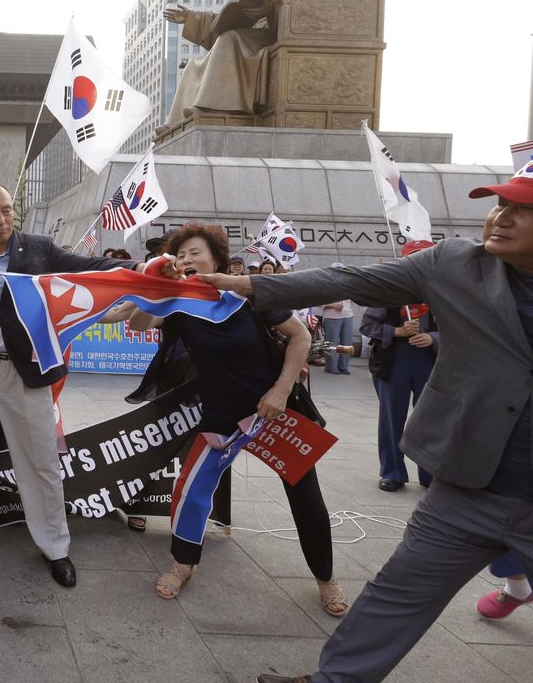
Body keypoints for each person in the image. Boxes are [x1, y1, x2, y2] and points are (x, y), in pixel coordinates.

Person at [201, 166, 533, 683]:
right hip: (470, 486)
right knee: (396, 595)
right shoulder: (454, 263)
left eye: (522, 210)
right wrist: (246, 284)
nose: (501, 218)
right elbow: (347, 280)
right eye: (499, 204)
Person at [0, 184, 137, 588]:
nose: (3, 220)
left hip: (29, 373)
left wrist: (139, 269)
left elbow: (85, 265)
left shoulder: (39, 248)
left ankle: (56, 548)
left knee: (39, 464)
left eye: (7, 211)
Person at [118, 223, 344, 614]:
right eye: (181, 254)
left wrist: (279, 391)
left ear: (217, 259)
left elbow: (300, 338)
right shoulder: (177, 302)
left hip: (272, 412)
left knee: (306, 497)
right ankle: (183, 563)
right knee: (192, 491)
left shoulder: (250, 295)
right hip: (220, 417)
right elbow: (134, 323)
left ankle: (326, 578)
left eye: (195, 253)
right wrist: (154, 286)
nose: (187, 260)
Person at [160, 0, 328, 129]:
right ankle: (175, 123)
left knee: (230, 39)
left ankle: (209, 109)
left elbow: (314, 4)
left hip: (280, 36)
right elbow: (230, 20)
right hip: (256, 36)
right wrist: (192, 17)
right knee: (196, 63)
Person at [359, 242, 437, 492]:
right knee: (392, 417)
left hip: (430, 361)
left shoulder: (442, 291)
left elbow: (460, 327)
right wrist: (398, 331)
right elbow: (367, 326)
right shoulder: (389, 292)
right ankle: (392, 472)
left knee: (429, 419)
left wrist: (433, 338)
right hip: (394, 360)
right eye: (416, 259)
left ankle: (429, 473)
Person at [320, 267, 354, 375]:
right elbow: (318, 301)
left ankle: (343, 366)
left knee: (347, 341)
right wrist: (333, 305)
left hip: (348, 315)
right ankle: (331, 366)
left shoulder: (348, 284)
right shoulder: (325, 284)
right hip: (332, 316)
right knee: (331, 342)